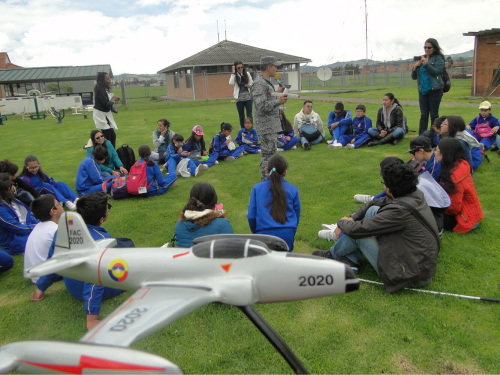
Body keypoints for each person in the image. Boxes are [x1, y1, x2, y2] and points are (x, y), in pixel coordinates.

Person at [313, 162, 439, 293]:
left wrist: (342, 222)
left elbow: (358, 229)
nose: (383, 186)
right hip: (419, 265)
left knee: (360, 235)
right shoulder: (413, 193)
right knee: (373, 210)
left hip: (408, 276)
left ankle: (331, 254)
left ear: (389, 189)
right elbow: (375, 203)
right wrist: (353, 217)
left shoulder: (399, 210)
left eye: (384, 183)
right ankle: (351, 259)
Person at [31, 192, 125, 330]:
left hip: (73, 289)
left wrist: (41, 287)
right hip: (102, 291)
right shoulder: (102, 239)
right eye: (108, 208)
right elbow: (94, 279)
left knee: (122, 244)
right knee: (126, 252)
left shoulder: (62, 232)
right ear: (101, 218)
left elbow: (54, 261)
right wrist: (92, 318)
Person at [247, 154, 300, 251]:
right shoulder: (293, 189)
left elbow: (251, 216)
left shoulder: (257, 189)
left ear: (266, 170)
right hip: (287, 233)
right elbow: (296, 213)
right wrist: (291, 230)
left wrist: (257, 232)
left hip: (264, 235)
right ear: (285, 172)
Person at [251, 56, 288, 181]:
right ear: (269, 67)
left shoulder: (265, 82)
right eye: (275, 66)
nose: (276, 68)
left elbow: (266, 100)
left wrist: (277, 93)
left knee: (272, 156)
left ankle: (271, 182)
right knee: (267, 157)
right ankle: (264, 183)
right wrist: (279, 101)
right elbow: (261, 105)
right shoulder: (259, 83)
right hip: (266, 127)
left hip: (270, 126)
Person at [436, 138, 483, 233]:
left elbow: (453, 208)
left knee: (428, 214)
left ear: (444, 153)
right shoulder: (459, 164)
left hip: (464, 218)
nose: (435, 152)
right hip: (472, 213)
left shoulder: (454, 177)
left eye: (436, 150)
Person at [174, 183, 234, 248]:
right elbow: (232, 249)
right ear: (214, 200)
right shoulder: (222, 224)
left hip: (185, 258)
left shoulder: (180, 223)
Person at [24, 195, 65, 283]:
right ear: (53, 211)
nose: (61, 205)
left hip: (34, 275)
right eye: (59, 204)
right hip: (47, 275)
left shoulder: (38, 227)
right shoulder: (55, 230)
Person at [412, 38, 445, 135]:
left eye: (429, 47)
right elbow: (414, 77)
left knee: (434, 115)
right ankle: (422, 137)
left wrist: (426, 64)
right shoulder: (422, 59)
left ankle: (434, 135)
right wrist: (415, 67)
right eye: (425, 47)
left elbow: (436, 72)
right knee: (424, 115)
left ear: (434, 48)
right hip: (423, 91)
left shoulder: (438, 58)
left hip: (435, 90)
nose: (426, 49)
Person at [0, 173, 39, 256]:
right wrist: (34, 227)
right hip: (14, 241)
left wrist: (41, 223)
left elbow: (27, 216)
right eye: (12, 184)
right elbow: (16, 227)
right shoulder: (1, 209)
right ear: (8, 188)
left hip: (26, 231)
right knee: (45, 237)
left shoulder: (12, 199)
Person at [93, 72, 120, 148]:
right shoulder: (100, 90)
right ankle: (107, 156)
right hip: (101, 116)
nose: (109, 80)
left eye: (109, 78)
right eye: (107, 79)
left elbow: (107, 105)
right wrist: (113, 100)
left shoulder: (103, 90)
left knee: (112, 136)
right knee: (108, 138)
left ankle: (111, 154)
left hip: (105, 115)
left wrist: (113, 107)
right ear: (102, 80)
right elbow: (107, 105)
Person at [229, 61, 253, 128]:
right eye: (238, 68)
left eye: (241, 67)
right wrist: (233, 72)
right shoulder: (235, 75)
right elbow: (231, 83)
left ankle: (250, 129)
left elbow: (252, 83)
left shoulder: (247, 74)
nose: (240, 69)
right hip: (239, 98)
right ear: (236, 68)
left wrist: (249, 85)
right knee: (241, 115)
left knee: (249, 115)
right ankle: (243, 129)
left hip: (248, 97)